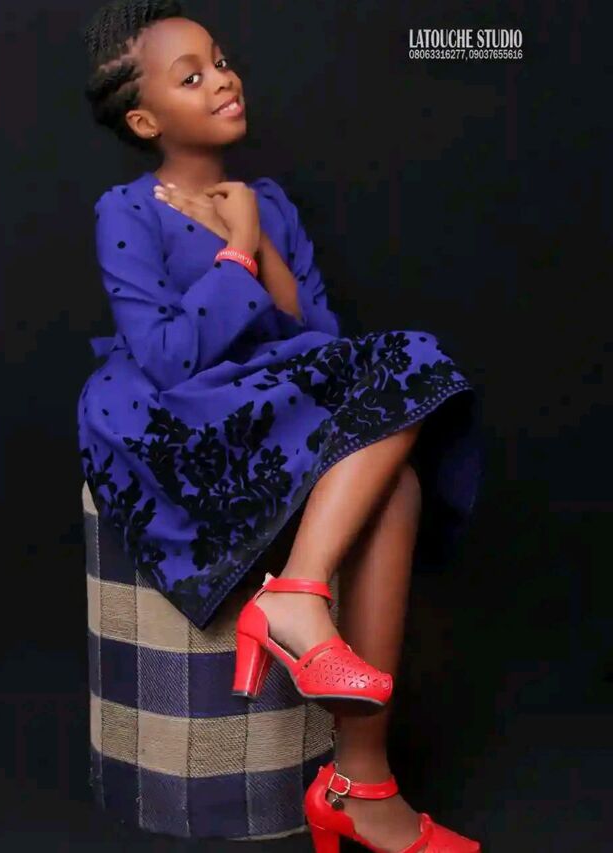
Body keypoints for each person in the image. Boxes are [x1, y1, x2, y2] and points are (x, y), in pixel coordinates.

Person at [78, 2, 484, 851]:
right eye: (192, 75)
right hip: (176, 417)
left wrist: (257, 238)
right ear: (146, 120)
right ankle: (300, 609)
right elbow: (166, 357)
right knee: (405, 378)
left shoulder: (270, 205)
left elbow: (321, 344)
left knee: (399, 469)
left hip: (269, 400)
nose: (223, 79)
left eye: (221, 60)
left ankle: (359, 777)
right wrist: (232, 254)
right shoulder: (128, 210)